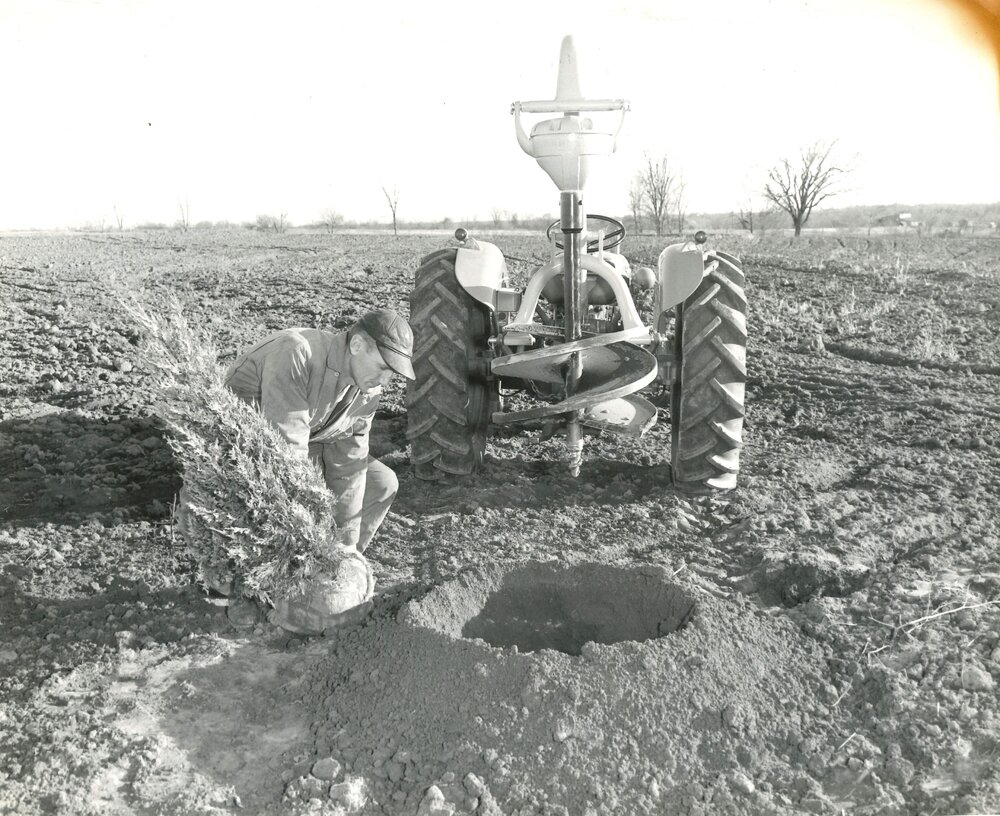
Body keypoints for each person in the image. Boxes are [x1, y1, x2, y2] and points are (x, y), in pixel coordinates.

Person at [224, 308, 415, 553]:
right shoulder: (296, 352)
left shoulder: (368, 389)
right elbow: (287, 453)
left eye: (392, 373)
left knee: (381, 483)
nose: (385, 381)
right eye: (382, 367)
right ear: (356, 345)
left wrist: (346, 545)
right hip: (248, 449)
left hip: (308, 440)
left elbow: (351, 462)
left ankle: (334, 566)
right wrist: (304, 530)